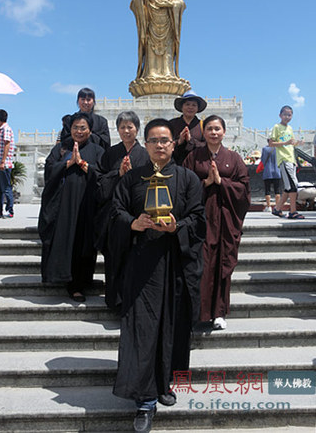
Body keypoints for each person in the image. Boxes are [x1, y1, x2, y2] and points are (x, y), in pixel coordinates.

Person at [109, 118, 206, 433]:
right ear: (146, 144)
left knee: (173, 328)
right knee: (143, 330)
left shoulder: (188, 179)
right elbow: (116, 213)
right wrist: (133, 225)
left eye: (165, 140)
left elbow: (199, 218)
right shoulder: (132, 179)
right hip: (142, 268)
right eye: (154, 140)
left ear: (173, 143)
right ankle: (145, 400)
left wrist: (177, 226)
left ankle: (165, 383)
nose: (160, 145)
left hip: (176, 265)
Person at [183, 115, 250, 330]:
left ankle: (220, 312)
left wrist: (221, 182)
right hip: (201, 219)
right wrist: (206, 183)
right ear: (203, 132)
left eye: (217, 129)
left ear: (224, 132)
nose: (213, 132)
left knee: (222, 265)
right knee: (200, 266)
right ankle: (198, 312)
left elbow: (244, 189)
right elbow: (183, 188)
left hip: (225, 219)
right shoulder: (194, 157)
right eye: (209, 129)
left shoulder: (234, 158)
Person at [38, 112, 104, 302]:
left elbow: (102, 176)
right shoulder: (61, 148)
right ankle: (59, 276)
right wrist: (67, 163)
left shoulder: (97, 151)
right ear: (70, 128)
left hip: (86, 203)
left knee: (82, 242)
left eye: (83, 127)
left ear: (90, 130)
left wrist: (83, 164)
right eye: (75, 127)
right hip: (63, 204)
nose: (79, 131)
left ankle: (79, 284)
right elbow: (49, 171)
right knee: (63, 238)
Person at [96, 110, 149, 309]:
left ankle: (134, 300)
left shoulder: (144, 153)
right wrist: (117, 174)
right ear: (117, 129)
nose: (126, 131)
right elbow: (99, 182)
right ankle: (114, 300)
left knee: (136, 257)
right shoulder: (110, 153)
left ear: (137, 129)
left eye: (130, 127)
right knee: (114, 256)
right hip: (115, 214)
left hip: (138, 213)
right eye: (122, 127)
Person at [129, 0, 189, 97]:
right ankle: (151, 74)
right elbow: (134, 3)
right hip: (149, 23)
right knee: (150, 49)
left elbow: (180, 3)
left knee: (168, 49)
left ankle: (168, 73)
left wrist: (170, 5)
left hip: (168, 22)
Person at [269, 105, 304, 219]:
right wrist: (286, 143)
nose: (287, 117)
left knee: (288, 187)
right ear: (280, 115)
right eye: (285, 114)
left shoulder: (289, 128)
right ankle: (293, 211)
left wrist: (297, 143)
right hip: (284, 159)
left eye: (289, 115)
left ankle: (278, 209)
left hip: (291, 159)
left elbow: (291, 143)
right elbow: (271, 143)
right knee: (293, 185)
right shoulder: (277, 127)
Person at [169, 90, 207, 165]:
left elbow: (207, 146)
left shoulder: (203, 125)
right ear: (182, 107)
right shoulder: (172, 124)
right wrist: (179, 141)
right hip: (176, 165)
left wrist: (191, 140)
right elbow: (166, 144)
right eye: (187, 104)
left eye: (194, 105)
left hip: (196, 165)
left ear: (197, 108)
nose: (190, 107)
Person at [0, 109, 15, 218]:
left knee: (6, 187)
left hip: (4, 164)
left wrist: (2, 161)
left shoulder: (6, 129)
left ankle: (10, 210)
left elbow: (7, 144)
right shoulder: (1, 129)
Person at [261, 139, 281, 212]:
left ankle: (268, 206)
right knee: (277, 190)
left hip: (267, 172)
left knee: (267, 190)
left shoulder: (265, 149)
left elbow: (263, 160)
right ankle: (277, 206)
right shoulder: (278, 149)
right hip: (277, 171)